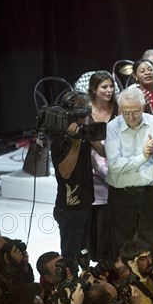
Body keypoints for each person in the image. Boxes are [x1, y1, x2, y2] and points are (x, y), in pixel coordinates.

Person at [105, 87, 153, 259]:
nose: (131, 117)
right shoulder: (112, 127)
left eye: (135, 111)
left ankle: (151, 283)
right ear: (120, 110)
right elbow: (114, 166)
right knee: (121, 245)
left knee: (149, 243)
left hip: (150, 194)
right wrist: (143, 156)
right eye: (126, 112)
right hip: (121, 195)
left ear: (143, 108)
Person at [50, 91, 104, 273]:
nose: (84, 117)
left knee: (83, 250)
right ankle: (69, 287)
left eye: (86, 112)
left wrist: (89, 131)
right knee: (70, 256)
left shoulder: (83, 130)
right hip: (70, 208)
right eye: (81, 113)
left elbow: (103, 152)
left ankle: (85, 279)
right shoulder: (59, 138)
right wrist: (75, 142)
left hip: (86, 202)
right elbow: (65, 172)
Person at [87, 70, 118, 261]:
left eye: (111, 86)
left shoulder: (117, 109)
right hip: (90, 177)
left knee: (107, 231)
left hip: (113, 174)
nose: (109, 90)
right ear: (93, 89)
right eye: (104, 87)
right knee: (92, 229)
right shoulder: (85, 110)